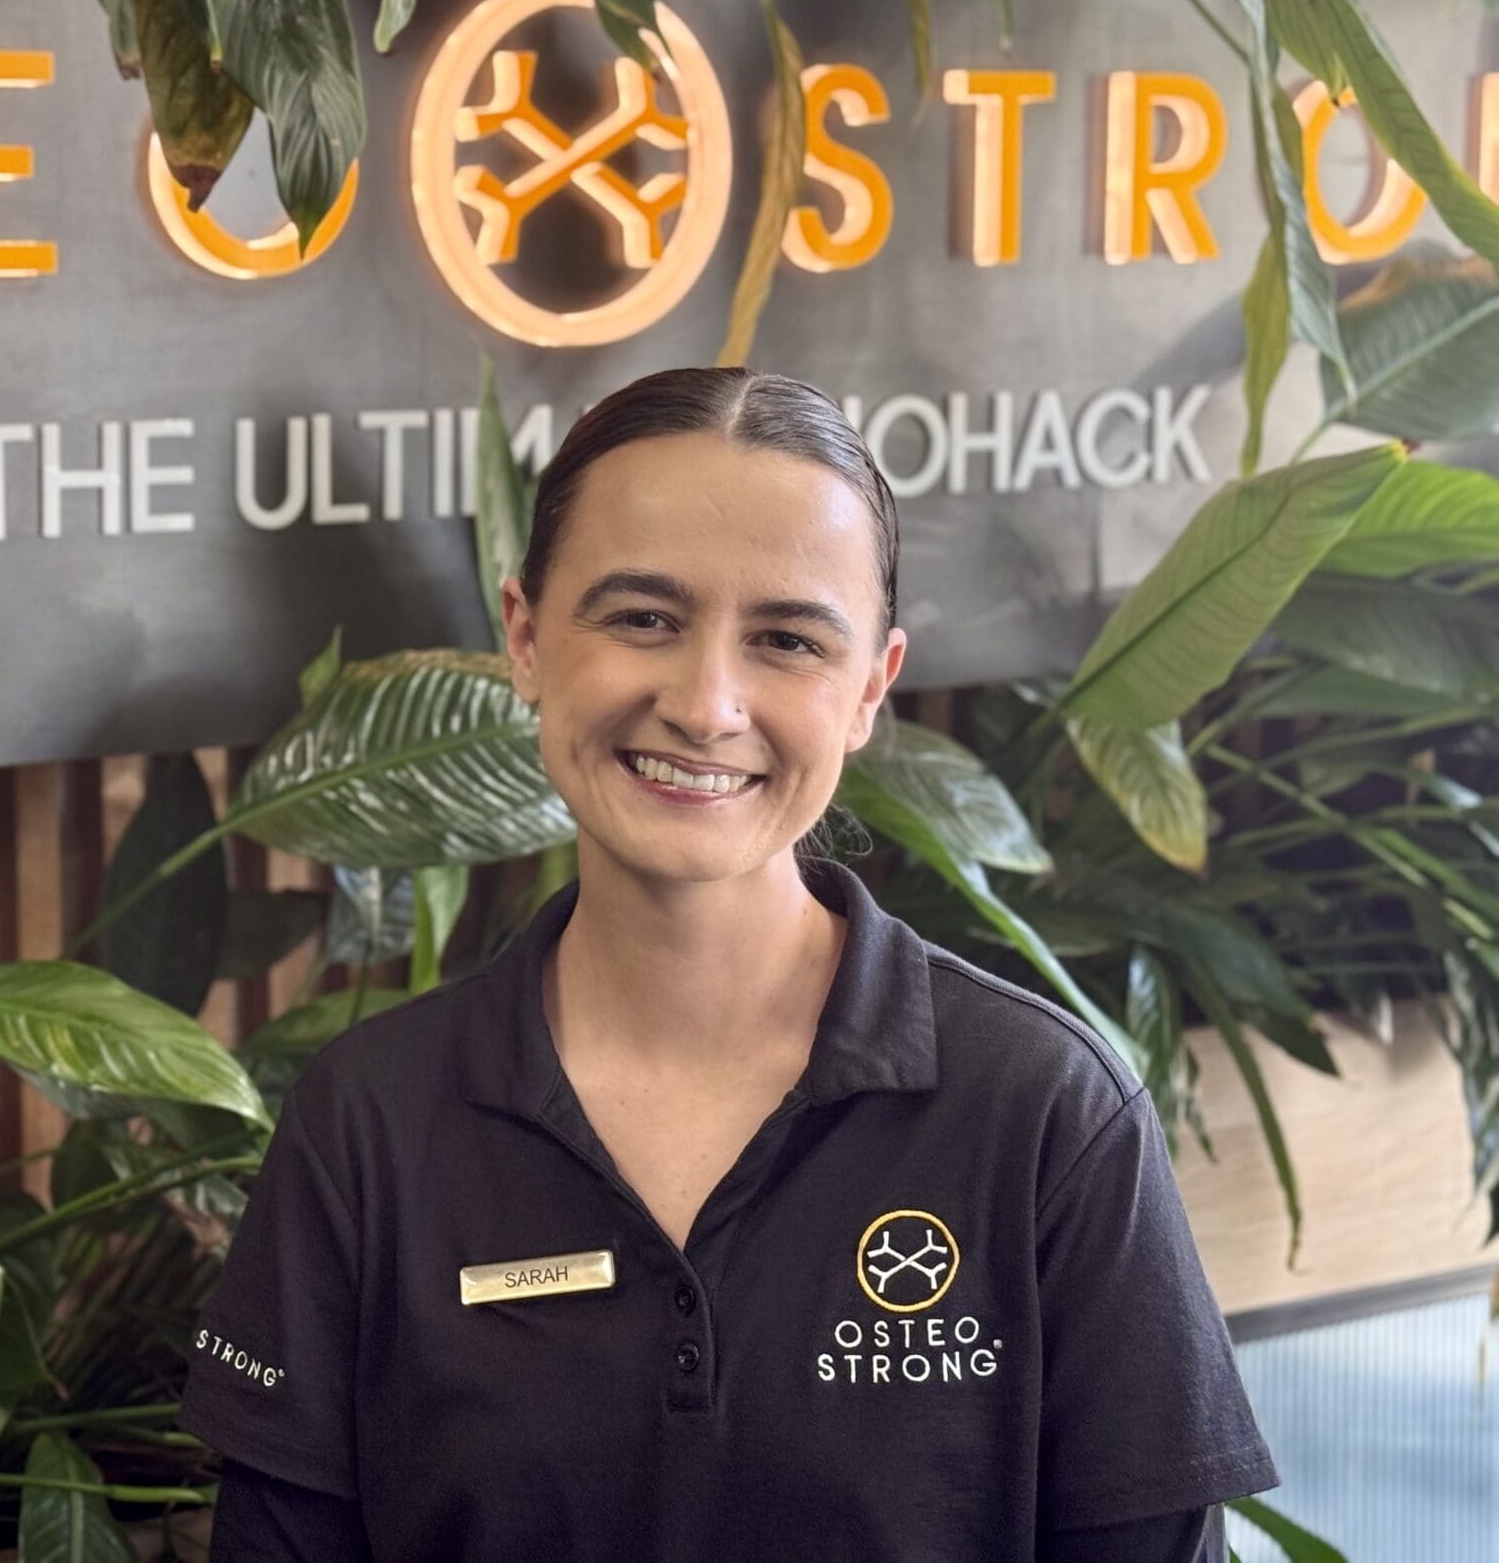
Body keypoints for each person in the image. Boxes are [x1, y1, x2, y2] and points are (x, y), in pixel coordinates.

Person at [176, 367, 1279, 1561]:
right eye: (642, 619)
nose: (706, 706)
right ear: (527, 639)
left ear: (869, 689)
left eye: (786, 640)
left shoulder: (1044, 1113)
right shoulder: (370, 1122)